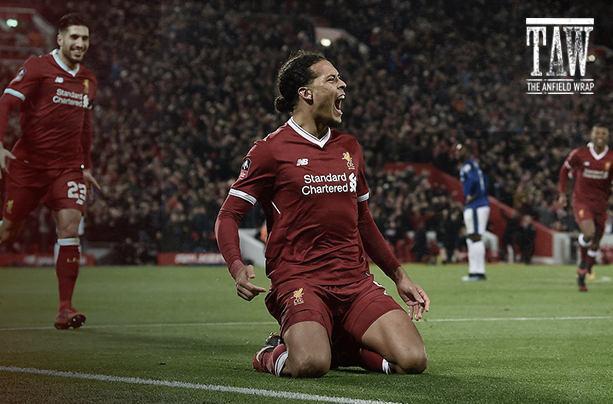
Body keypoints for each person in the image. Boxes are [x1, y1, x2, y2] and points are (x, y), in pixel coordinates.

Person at [215, 50, 429, 378]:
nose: (343, 84)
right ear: (306, 93)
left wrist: (399, 277)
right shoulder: (270, 150)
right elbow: (228, 215)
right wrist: (236, 267)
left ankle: (340, 350)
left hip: (354, 281)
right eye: (332, 79)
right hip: (300, 280)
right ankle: (270, 354)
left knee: (413, 360)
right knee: (310, 364)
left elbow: (363, 220)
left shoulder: (349, 147)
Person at [0, 13, 99, 329]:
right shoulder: (37, 67)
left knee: (70, 227)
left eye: (84, 38)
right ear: (60, 39)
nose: (80, 43)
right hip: (28, 167)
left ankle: (65, 308)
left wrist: (85, 166)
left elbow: (85, 126)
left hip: (66, 169)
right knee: (8, 232)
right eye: (74, 37)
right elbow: (5, 103)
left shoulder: (89, 79)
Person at [558, 125, 613, 292]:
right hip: (582, 201)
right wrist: (562, 193)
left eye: (603, 133)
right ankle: (582, 263)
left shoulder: (611, 157)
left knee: (596, 242)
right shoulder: (580, 154)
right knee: (588, 233)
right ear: (592, 135)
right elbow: (564, 170)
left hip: (601, 204)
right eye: (597, 133)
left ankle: (585, 270)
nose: (600, 136)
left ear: (608, 137)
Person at [456, 140, 490, 281]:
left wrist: (471, 195)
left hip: (476, 205)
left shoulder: (468, 166)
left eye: (460, 150)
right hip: (479, 203)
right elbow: (485, 179)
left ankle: (478, 272)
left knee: (475, 237)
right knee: (472, 238)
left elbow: (475, 180)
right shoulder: (474, 165)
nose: (457, 153)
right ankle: (473, 271)